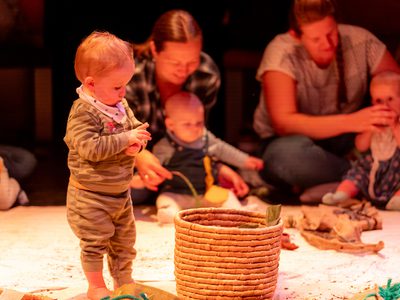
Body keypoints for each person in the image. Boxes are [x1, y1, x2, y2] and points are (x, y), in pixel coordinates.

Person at [252, 0, 400, 202]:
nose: (328, 44)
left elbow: (394, 84)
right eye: (316, 39)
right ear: (296, 36)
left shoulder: (360, 41)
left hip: (349, 142)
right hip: (294, 142)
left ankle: (348, 182)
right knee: (286, 159)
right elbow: (283, 123)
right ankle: (367, 178)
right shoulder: (281, 53)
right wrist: (353, 121)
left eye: (331, 33)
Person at [63, 31, 151, 300]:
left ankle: (124, 280)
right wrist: (125, 139)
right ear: (90, 84)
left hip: (120, 194)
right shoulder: (83, 112)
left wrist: (138, 143)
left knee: (125, 242)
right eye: (117, 86)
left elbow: (133, 128)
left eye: (125, 84)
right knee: (94, 243)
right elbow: (90, 147)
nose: (123, 92)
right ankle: (96, 286)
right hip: (90, 196)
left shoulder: (119, 104)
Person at [125, 9, 222, 204]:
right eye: (174, 62)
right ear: (154, 50)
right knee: (126, 194)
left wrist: (218, 168)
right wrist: (139, 156)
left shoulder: (206, 75)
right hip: (132, 156)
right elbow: (113, 131)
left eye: (192, 60)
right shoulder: (131, 75)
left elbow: (200, 135)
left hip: (184, 160)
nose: (184, 70)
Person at [132, 91, 265, 224]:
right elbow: (154, 166)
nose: (195, 128)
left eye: (199, 123)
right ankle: (170, 214)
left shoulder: (206, 138)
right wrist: (144, 177)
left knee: (228, 195)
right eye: (187, 124)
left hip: (207, 192)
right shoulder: (164, 146)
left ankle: (238, 212)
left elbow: (224, 150)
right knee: (164, 198)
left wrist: (245, 160)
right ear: (170, 125)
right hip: (177, 193)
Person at [322, 71, 400, 210]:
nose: (385, 105)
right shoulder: (371, 121)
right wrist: (370, 130)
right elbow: (361, 146)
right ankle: (341, 194)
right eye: (378, 101)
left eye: (390, 99)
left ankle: (397, 199)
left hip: (396, 169)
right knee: (357, 173)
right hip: (374, 168)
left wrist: (395, 127)